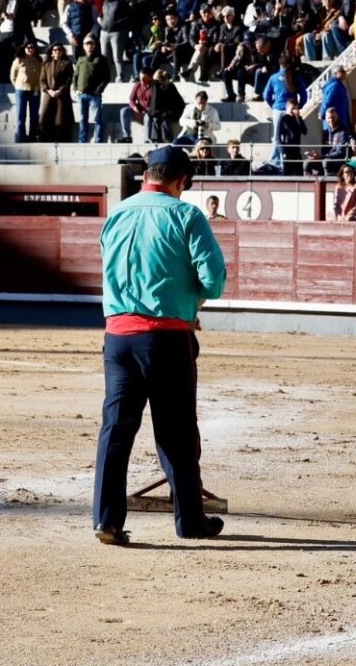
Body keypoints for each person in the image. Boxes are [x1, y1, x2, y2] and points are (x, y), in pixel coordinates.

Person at [93, 145, 227, 546]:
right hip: (167, 339)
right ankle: (190, 521)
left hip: (118, 337)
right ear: (181, 181)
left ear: (146, 174)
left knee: (116, 430)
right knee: (177, 431)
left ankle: (106, 521)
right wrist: (193, 301)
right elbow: (214, 280)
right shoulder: (186, 215)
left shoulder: (117, 213)